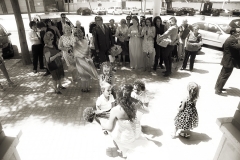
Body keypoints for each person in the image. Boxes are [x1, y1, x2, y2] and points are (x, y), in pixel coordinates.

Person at [101, 84, 160, 159]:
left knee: (114, 134)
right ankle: (125, 153)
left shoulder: (115, 110)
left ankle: (124, 154)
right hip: (136, 132)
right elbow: (147, 111)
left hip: (125, 137)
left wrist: (102, 124)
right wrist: (137, 102)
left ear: (117, 96)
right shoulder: (135, 104)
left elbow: (109, 128)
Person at [215, 27, 240, 95]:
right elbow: (237, 47)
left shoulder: (231, 38)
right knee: (224, 75)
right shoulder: (232, 40)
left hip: (227, 60)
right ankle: (218, 90)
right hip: (229, 62)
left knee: (222, 75)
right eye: (238, 32)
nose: (239, 33)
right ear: (233, 33)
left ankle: (218, 87)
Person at [73, 28, 99, 92]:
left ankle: (84, 88)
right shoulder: (85, 41)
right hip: (86, 59)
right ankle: (88, 88)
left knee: (82, 75)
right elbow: (88, 51)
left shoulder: (75, 43)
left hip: (79, 60)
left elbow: (75, 53)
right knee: (88, 74)